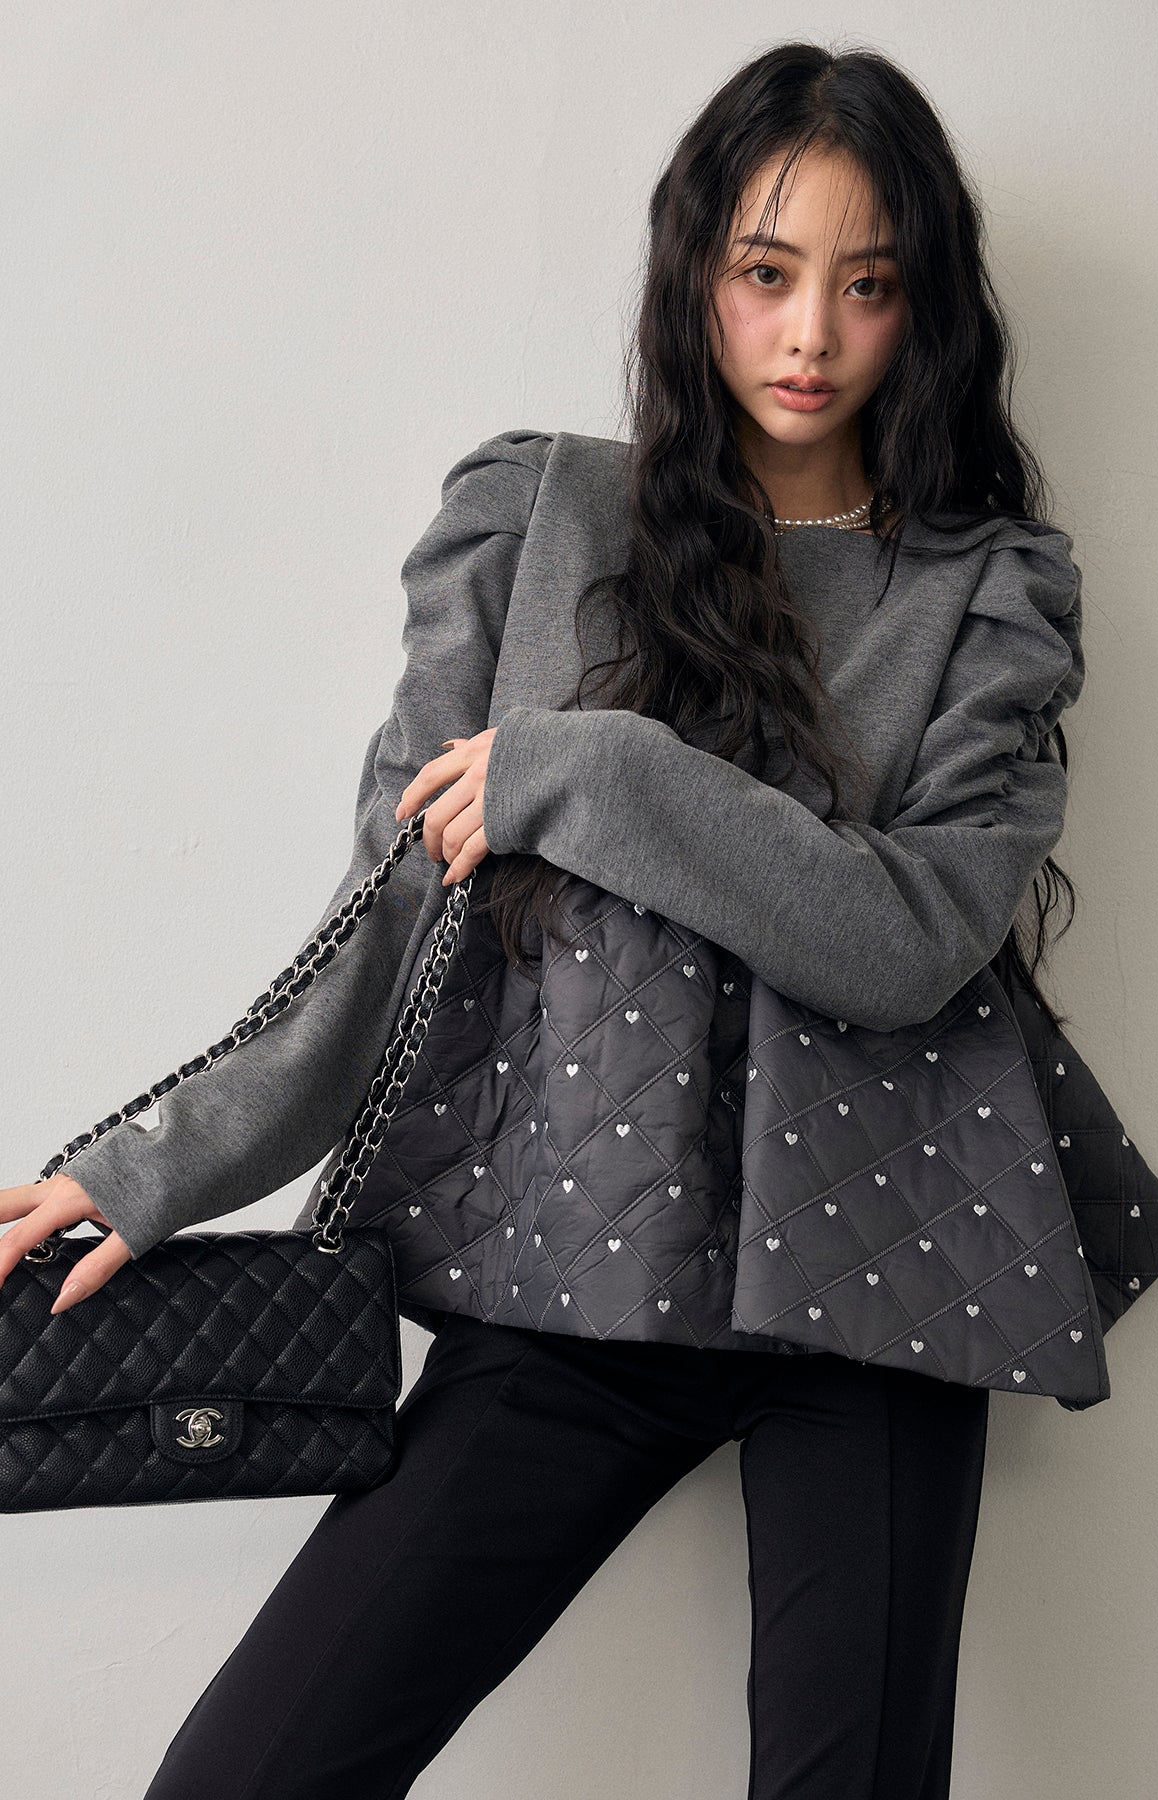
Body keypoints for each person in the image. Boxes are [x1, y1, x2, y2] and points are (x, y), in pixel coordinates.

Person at [0, 39, 1091, 1800]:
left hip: (879, 1288)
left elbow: (905, 944)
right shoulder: (537, 520)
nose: (811, 334)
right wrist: (155, 1166)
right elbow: (385, 925)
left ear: (926, 310)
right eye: (765, 272)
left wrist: (595, 767)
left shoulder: (989, 594)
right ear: (695, 275)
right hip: (577, 1268)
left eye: (869, 285)